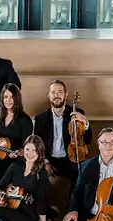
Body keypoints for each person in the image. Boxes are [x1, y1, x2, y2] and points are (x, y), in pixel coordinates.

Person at [33, 80, 92, 212]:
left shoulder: (77, 113)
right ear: (49, 96)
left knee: (79, 170)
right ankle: (46, 212)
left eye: (60, 92)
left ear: (66, 95)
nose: (56, 95)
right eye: (53, 92)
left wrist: (86, 123)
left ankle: (72, 210)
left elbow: (87, 140)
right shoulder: (40, 118)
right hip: (50, 158)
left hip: (69, 157)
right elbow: (37, 145)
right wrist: (45, 162)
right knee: (36, 173)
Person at [0, 135, 52, 221]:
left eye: (34, 150)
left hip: (28, 218)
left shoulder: (41, 173)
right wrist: (0, 194)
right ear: (23, 150)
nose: (30, 153)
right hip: (11, 208)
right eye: (27, 149)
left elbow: (41, 201)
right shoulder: (15, 167)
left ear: (39, 152)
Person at [0, 83, 32, 192]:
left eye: (11, 97)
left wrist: (17, 153)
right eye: (5, 97)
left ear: (17, 98)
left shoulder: (24, 119)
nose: (8, 100)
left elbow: (27, 145)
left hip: (14, 156)